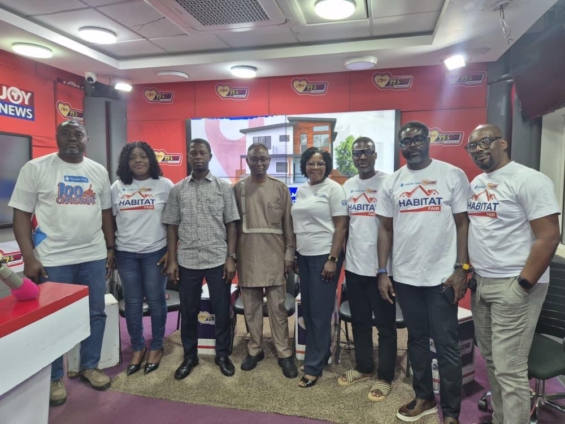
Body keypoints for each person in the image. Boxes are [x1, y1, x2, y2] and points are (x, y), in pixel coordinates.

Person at [9, 120, 115, 406]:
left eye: (78, 134)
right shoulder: (35, 168)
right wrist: (28, 257)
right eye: (65, 134)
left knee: (95, 313)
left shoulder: (98, 171)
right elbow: (20, 215)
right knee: (53, 319)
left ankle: (90, 366)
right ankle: (54, 377)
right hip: (52, 259)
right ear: (56, 138)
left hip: (92, 256)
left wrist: (110, 247)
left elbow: (106, 213)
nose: (72, 139)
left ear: (87, 139)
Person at [465, 124, 561, 424]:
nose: (479, 149)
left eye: (485, 141)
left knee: (510, 368)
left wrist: (522, 286)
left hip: (513, 285)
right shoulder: (477, 182)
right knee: (493, 362)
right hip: (482, 284)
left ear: (503, 143)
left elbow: (549, 236)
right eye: (473, 146)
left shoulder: (529, 179)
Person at [376, 121, 470, 424]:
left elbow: (463, 223)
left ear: (428, 140)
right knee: (416, 339)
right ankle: (424, 397)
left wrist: (462, 268)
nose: (412, 145)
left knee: (446, 344)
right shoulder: (392, 182)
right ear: (400, 146)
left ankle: (451, 412)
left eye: (418, 139)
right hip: (406, 276)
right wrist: (383, 271)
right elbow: (385, 229)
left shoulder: (452, 174)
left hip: (443, 277)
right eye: (406, 141)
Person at [163, 138, 240, 379]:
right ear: (188, 156)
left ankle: (222, 355)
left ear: (210, 156)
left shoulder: (223, 188)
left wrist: (231, 257)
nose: (198, 157)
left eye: (202, 153)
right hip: (187, 260)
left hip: (217, 258)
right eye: (193, 153)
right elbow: (172, 226)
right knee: (189, 311)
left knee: (221, 310)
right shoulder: (178, 190)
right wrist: (172, 260)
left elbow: (232, 224)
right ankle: (190, 356)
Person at [338, 137, 397, 402]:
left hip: (382, 270)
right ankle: (364, 367)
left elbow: (393, 227)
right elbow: (345, 226)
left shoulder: (388, 182)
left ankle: (385, 376)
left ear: (374, 155)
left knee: (385, 326)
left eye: (366, 152)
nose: (362, 157)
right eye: (357, 153)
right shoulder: (348, 185)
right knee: (360, 321)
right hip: (354, 267)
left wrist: (384, 269)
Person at [233, 143, 298, 378]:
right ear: (247, 161)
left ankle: (284, 353)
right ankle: (255, 349)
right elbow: (232, 227)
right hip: (247, 255)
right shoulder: (238, 189)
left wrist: (289, 254)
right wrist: (232, 257)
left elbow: (289, 226)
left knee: (278, 308)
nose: (259, 163)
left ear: (269, 160)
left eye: (263, 159)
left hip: (275, 256)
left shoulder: (280, 189)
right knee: (251, 308)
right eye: (254, 159)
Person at [111, 141, 173, 376]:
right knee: (133, 302)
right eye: (132, 157)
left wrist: (171, 251)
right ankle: (138, 347)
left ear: (151, 160)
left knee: (156, 300)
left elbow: (174, 222)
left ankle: (156, 346)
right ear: (126, 162)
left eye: (143, 156)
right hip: (126, 253)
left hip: (155, 252)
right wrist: (111, 249)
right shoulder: (117, 187)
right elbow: (111, 220)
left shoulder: (164, 185)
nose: (138, 160)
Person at [291, 147, 348, 388]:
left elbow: (341, 226)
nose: (316, 167)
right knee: (309, 309)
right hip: (304, 256)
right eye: (311, 163)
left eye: (321, 163)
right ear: (304, 166)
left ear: (327, 166)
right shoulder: (303, 189)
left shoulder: (334, 189)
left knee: (320, 313)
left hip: (325, 256)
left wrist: (332, 259)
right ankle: (320, 355)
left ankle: (313, 367)